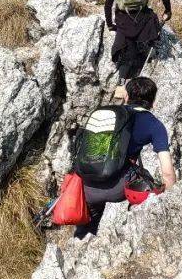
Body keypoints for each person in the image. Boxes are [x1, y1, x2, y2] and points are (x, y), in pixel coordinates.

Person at [75, 77, 176, 238]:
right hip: (118, 189)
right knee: (147, 179)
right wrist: (172, 203)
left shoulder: (110, 115)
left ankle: (80, 244)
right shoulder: (154, 125)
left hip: (87, 186)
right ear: (153, 101)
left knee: (87, 229)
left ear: (127, 96)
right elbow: (168, 173)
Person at [104, 0, 171, 79]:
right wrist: (168, 11)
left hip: (123, 22)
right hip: (142, 21)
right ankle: (150, 44)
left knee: (128, 47)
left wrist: (110, 24)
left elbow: (107, 6)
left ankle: (124, 74)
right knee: (152, 16)